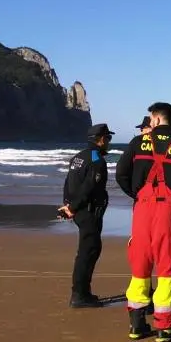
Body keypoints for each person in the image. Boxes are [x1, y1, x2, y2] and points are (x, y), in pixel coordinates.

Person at [114, 102, 171, 342]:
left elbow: (120, 174)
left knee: (140, 264)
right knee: (167, 266)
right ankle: (164, 328)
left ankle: (136, 324)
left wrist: (137, 194)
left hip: (142, 210)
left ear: (155, 119)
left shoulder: (137, 142)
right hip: (168, 209)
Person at [59, 123, 115, 308]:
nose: (109, 142)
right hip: (88, 211)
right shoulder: (96, 159)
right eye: (108, 138)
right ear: (100, 139)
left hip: (79, 210)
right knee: (88, 251)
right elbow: (89, 187)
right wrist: (73, 206)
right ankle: (79, 294)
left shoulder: (78, 157)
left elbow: (68, 183)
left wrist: (68, 204)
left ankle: (83, 292)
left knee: (89, 249)